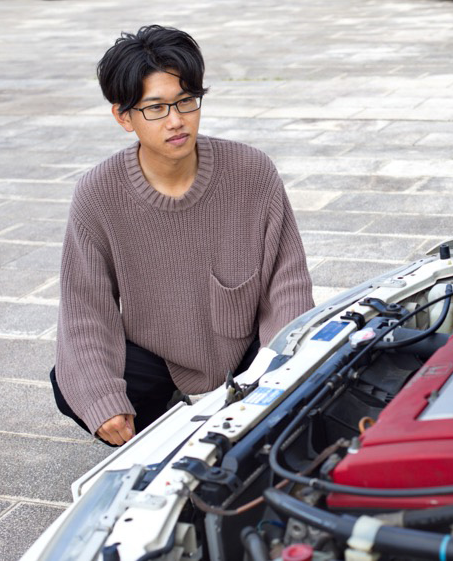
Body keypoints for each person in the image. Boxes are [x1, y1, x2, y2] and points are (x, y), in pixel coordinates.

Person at [50, 25, 314, 446]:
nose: (176, 121)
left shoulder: (252, 172)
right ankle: (160, 425)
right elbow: (85, 309)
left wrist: (279, 376)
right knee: (73, 383)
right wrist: (101, 398)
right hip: (154, 356)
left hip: (246, 348)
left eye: (186, 101)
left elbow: (288, 285)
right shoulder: (98, 194)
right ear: (123, 116)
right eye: (155, 108)